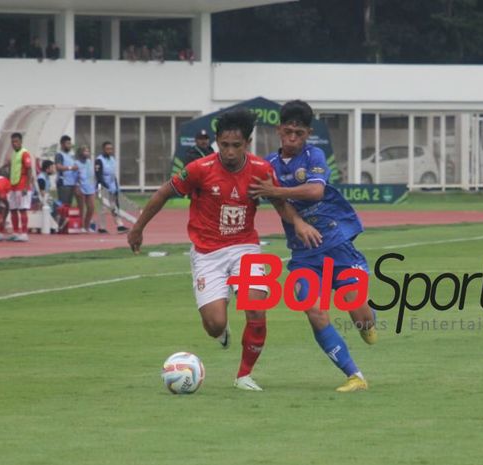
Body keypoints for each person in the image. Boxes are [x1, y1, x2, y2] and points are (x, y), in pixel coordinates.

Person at [128, 108, 322, 391]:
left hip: (244, 247)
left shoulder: (260, 170)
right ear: (217, 141)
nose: (230, 152)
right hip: (207, 252)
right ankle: (221, 331)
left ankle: (244, 375)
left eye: (237, 146)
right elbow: (163, 193)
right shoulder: (199, 170)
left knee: (256, 307)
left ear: (248, 143)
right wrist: (137, 228)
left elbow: (279, 202)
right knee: (214, 324)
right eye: (224, 145)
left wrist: (298, 222)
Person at [249, 100, 376, 393]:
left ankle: (369, 323)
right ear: (279, 129)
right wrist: (298, 223)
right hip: (305, 255)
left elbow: (316, 191)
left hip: (336, 245)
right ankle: (355, 376)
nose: (292, 138)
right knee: (313, 310)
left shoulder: (314, 155)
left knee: (359, 315)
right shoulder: (268, 165)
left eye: (299, 133)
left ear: (307, 133)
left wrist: (275, 190)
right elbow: (280, 204)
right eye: (288, 132)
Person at [95, 141, 128, 234]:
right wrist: (106, 187)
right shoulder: (99, 160)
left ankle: (120, 225)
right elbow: (99, 176)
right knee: (103, 208)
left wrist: (116, 187)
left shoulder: (113, 159)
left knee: (115, 206)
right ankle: (102, 228)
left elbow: (113, 175)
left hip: (112, 187)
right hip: (102, 186)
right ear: (103, 149)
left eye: (111, 149)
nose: (109, 151)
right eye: (107, 149)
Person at [7, 132, 32, 242]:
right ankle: (16, 231)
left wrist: (26, 186)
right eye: (12, 142)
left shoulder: (25, 153)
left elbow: (29, 169)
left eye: (16, 141)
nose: (14, 144)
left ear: (21, 142)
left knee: (22, 209)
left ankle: (24, 233)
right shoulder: (13, 154)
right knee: (13, 209)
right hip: (13, 186)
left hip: (22, 185)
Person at [74, 145, 97, 232]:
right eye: (85, 151)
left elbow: (93, 175)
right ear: (80, 153)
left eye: (88, 151)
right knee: (81, 208)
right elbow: (75, 177)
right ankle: (81, 226)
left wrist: (95, 186)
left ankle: (87, 226)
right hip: (81, 187)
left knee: (91, 207)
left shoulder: (90, 162)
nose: (87, 153)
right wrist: (77, 187)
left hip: (90, 187)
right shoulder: (76, 163)